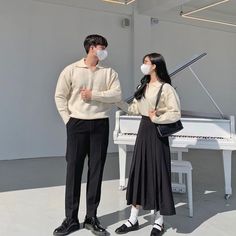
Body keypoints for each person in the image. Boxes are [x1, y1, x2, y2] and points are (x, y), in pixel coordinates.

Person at [54, 34, 122, 236]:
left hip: (100, 123)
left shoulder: (109, 72)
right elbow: (60, 96)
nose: (104, 50)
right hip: (77, 124)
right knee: (73, 170)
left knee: (96, 171)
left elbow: (116, 95)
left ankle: (91, 218)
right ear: (92, 47)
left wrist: (94, 95)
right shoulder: (72, 69)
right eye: (102, 47)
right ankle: (71, 219)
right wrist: (69, 120)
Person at [115, 53, 181, 236]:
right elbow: (135, 109)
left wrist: (157, 117)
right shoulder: (143, 85)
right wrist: (118, 102)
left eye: (146, 62)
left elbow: (175, 113)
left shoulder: (166, 88)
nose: (143, 65)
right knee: (138, 173)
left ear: (154, 65)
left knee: (157, 175)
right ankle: (133, 219)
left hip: (157, 134)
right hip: (143, 131)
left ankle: (159, 222)